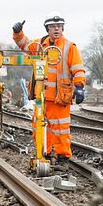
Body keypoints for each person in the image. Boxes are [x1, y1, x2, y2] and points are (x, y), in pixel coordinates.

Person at [13, 12, 86, 164]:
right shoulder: (40, 45)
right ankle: (43, 154)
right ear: (47, 29)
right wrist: (18, 32)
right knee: (39, 126)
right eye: (53, 26)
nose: (56, 29)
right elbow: (24, 44)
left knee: (61, 129)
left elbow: (78, 68)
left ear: (63, 28)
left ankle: (62, 158)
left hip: (60, 96)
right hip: (42, 96)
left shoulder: (69, 47)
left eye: (59, 26)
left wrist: (79, 86)